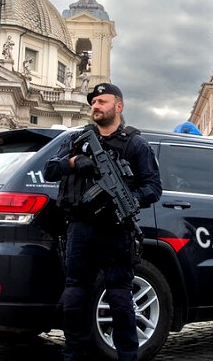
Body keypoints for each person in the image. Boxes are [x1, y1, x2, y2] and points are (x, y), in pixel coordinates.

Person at [44, 83, 162, 361]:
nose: (95, 106)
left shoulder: (135, 144)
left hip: (116, 229)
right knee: (75, 295)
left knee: (120, 298)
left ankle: (127, 356)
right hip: (80, 227)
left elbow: (153, 188)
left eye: (102, 101)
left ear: (118, 106)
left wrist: (128, 199)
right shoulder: (77, 140)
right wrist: (74, 162)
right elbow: (50, 169)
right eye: (93, 102)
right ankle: (74, 355)